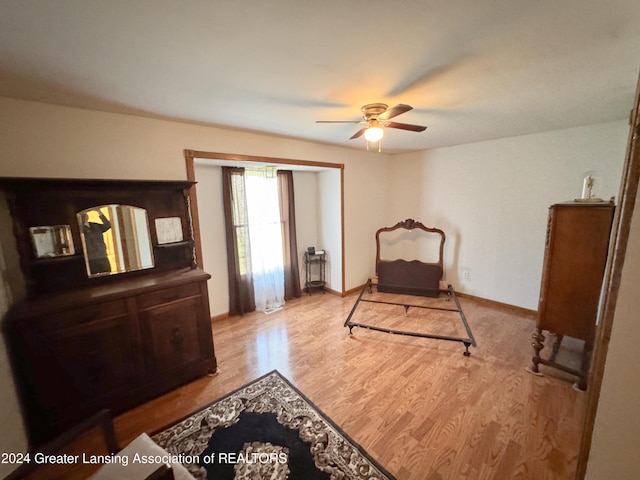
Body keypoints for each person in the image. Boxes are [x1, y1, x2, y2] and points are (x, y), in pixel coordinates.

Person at [81, 209, 112, 274]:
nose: (85, 215)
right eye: (83, 214)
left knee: (107, 275)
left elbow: (107, 225)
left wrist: (99, 211)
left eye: (85, 213)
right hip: (91, 259)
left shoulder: (95, 225)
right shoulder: (80, 229)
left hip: (102, 255)